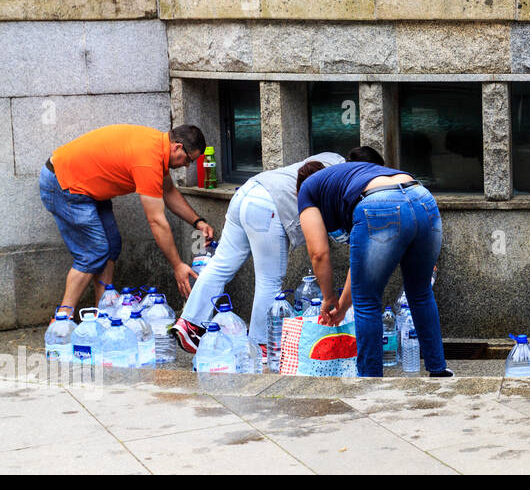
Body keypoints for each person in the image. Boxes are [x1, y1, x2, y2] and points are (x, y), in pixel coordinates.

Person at [171, 150, 348, 355]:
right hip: (269, 206)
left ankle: (190, 323)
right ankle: (262, 344)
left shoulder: (333, 157)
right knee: (270, 280)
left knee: (220, 264)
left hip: (246, 191)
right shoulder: (343, 179)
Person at [39, 124, 214, 315]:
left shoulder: (157, 147)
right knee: (93, 252)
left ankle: (103, 313)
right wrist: (178, 265)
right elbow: (156, 221)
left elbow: (169, 192)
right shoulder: (148, 159)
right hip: (64, 184)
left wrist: (198, 221)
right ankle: (62, 320)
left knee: (112, 246)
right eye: (188, 160)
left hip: (87, 187)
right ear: (177, 147)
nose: (186, 165)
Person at [296, 160, 450, 378]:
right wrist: (341, 306)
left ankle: (370, 381)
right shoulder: (346, 178)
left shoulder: (306, 192)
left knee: (367, 303)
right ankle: (438, 370)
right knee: (421, 292)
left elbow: (318, 254)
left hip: (379, 204)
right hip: (422, 197)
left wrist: (328, 297)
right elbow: (358, 264)